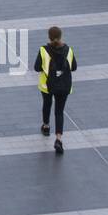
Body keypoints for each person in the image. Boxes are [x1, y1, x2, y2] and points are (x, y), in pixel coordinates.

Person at [34, 26, 76, 155]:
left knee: (47, 104)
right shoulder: (68, 50)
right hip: (64, 85)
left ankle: (46, 126)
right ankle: (58, 139)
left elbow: (36, 68)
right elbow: (73, 67)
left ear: (49, 37)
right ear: (61, 36)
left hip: (47, 85)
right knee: (59, 111)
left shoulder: (43, 50)